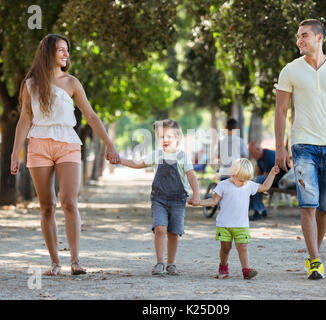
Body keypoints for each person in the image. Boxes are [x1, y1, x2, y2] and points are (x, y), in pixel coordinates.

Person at [10, 34, 120, 276]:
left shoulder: (72, 83)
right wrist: (15, 153)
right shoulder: (30, 84)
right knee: (47, 206)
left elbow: (90, 116)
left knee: (69, 202)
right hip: (38, 145)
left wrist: (109, 145)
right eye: (60, 50)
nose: (65, 54)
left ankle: (75, 261)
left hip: (68, 143)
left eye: (67, 50)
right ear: (48, 53)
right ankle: (54, 263)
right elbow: (25, 119)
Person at [275, 19, 326, 280]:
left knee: (325, 208)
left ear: (319, 38)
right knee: (308, 205)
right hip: (302, 147)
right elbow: (281, 110)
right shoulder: (290, 70)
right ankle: (315, 260)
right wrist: (280, 147)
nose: (299, 40)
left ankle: (314, 255)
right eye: (298, 36)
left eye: (304, 36)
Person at [119, 119, 200, 276]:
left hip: (178, 200)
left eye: (169, 136)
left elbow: (191, 176)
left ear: (177, 137)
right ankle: (160, 262)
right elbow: (138, 163)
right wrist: (120, 159)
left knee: (173, 233)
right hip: (159, 199)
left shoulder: (183, 156)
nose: (165, 140)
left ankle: (171, 263)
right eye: (161, 137)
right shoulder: (158, 155)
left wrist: (196, 195)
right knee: (160, 228)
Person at [190, 158, 280, 280]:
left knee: (242, 247)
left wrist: (272, 173)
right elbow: (213, 201)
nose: (243, 182)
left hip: (242, 225)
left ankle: (246, 270)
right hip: (224, 225)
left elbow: (264, 187)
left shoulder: (248, 185)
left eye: (246, 180)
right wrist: (199, 202)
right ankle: (223, 266)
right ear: (233, 174)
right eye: (240, 180)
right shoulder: (223, 185)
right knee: (226, 248)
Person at [248, 141, 287, 220]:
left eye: (252, 153)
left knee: (256, 182)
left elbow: (269, 175)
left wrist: (255, 180)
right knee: (252, 182)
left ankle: (259, 211)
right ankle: (260, 210)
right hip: (269, 179)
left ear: (259, 149)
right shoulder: (259, 158)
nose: (251, 155)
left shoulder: (269, 155)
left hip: (280, 180)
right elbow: (258, 173)